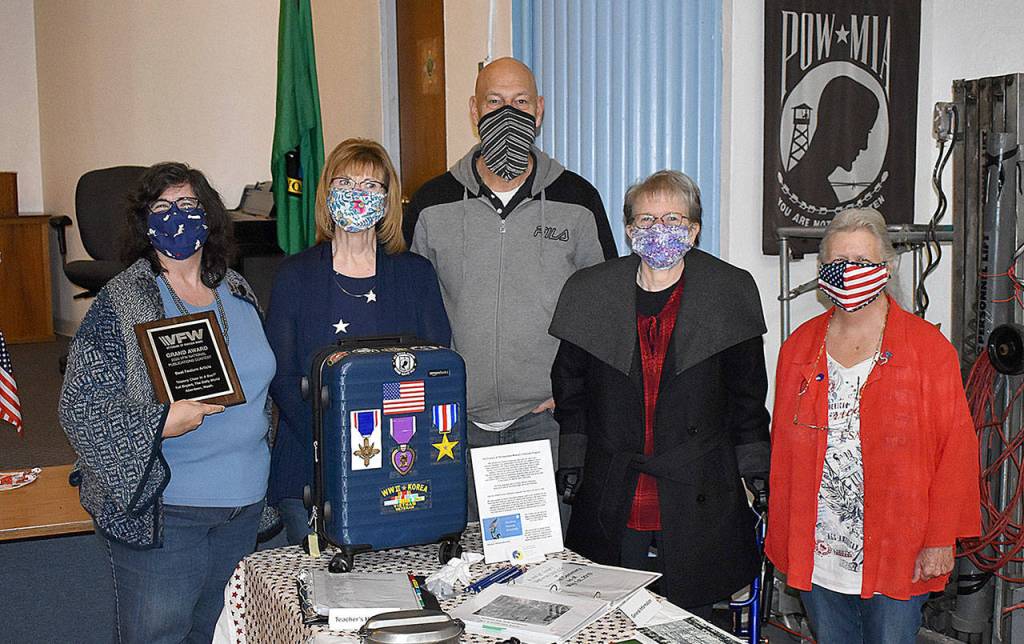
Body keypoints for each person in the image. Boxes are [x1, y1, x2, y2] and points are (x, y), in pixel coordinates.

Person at [59, 162, 276, 643]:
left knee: (218, 634)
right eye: (162, 208)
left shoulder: (236, 290)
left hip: (242, 507)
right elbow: (80, 406)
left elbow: (263, 389)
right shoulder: (121, 300)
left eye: (189, 206)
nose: (177, 217)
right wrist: (159, 422)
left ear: (210, 217)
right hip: (167, 510)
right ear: (144, 222)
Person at [548, 170, 770, 619]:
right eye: (646, 220)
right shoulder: (589, 292)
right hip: (615, 486)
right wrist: (572, 459)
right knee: (612, 618)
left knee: (694, 621)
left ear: (695, 229)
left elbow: (747, 398)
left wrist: (758, 472)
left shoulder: (731, 291)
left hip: (700, 489)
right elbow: (570, 391)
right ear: (628, 230)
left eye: (673, 218)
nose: (658, 230)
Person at [405, 57, 617, 520]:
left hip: (546, 422)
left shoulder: (577, 201)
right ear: (473, 110)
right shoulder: (431, 203)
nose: (508, 113)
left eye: (520, 102)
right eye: (494, 102)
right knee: (463, 566)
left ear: (539, 111)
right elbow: (408, 310)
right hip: (452, 424)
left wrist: (575, 389)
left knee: (543, 574)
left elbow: (608, 308)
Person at [766, 208, 981, 643]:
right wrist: (785, 535)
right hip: (821, 547)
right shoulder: (799, 348)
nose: (849, 274)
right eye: (837, 263)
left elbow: (956, 449)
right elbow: (783, 453)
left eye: (863, 263)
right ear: (823, 270)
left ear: (886, 267)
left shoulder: (928, 350)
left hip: (900, 546)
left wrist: (940, 539)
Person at [265, 138, 451, 545]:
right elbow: (281, 378)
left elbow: (437, 370)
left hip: (400, 463)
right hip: (312, 464)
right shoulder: (295, 277)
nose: (357, 195)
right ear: (327, 193)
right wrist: (333, 440)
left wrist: (386, 439)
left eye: (370, 186)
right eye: (345, 183)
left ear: (389, 199)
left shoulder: (415, 275)